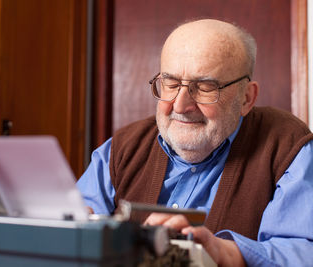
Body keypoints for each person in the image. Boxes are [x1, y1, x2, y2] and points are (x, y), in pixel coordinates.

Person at [77, 19, 313, 266]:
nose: (180, 106)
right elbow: (73, 225)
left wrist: (225, 254)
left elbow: (302, 251)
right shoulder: (123, 148)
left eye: (204, 87)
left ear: (246, 98)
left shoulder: (289, 146)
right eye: (170, 83)